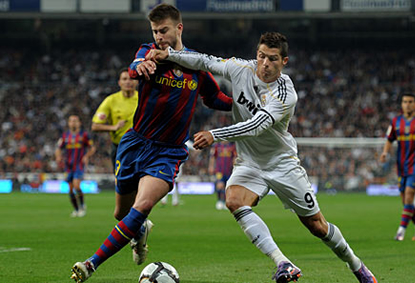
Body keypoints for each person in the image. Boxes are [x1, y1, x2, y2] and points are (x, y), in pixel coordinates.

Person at [152, 32, 377, 283]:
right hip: (250, 162)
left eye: (272, 59)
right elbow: (205, 61)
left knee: (317, 226)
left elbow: (256, 125)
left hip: (282, 164)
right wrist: (170, 54)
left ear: (284, 61)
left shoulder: (285, 93)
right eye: (261, 56)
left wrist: (215, 134)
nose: (265, 64)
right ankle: (283, 263)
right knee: (234, 200)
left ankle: (356, 265)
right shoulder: (240, 69)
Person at [70, 4, 232, 282]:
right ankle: (140, 230)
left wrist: (248, 103)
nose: (159, 36)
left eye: (164, 30)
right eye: (155, 31)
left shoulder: (196, 64)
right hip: (134, 144)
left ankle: (91, 264)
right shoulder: (148, 53)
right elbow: (135, 67)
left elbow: (215, 99)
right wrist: (141, 65)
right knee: (122, 214)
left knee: (142, 205)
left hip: (168, 152)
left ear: (179, 28)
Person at [379, 93, 415, 241]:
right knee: (405, 201)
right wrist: (384, 152)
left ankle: (400, 231)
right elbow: (389, 139)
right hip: (402, 166)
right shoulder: (396, 122)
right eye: (404, 102)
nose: (407, 104)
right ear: (401, 104)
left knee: (409, 196)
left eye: (410, 102)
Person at [91, 68, 138, 171]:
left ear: (137, 81)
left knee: (140, 182)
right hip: (119, 148)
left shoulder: (143, 99)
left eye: (131, 79)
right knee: (121, 183)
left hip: (139, 148)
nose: (128, 82)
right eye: (124, 79)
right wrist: (114, 127)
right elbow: (95, 126)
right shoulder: (111, 100)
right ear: (119, 82)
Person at [55, 115, 96, 218]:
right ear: (68, 123)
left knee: (77, 186)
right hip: (68, 165)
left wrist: (86, 156)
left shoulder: (84, 135)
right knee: (70, 189)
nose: (73, 123)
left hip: (79, 164)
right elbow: (58, 148)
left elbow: (92, 148)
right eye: (71, 121)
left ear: (79, 123)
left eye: (75, 121)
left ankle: (82, 206)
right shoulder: (65, 136)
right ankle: (76, 209)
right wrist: (58, 156)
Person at [208, 141, 236, 210]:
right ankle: (219, 201)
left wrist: (235, 166)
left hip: (229, 170)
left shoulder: (232, 146)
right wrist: (211, 166)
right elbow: (212, 157)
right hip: (219, 170)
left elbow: (234, 157)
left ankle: (226, 202)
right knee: (220, 185)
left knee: (227, 187)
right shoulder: (217, 146)